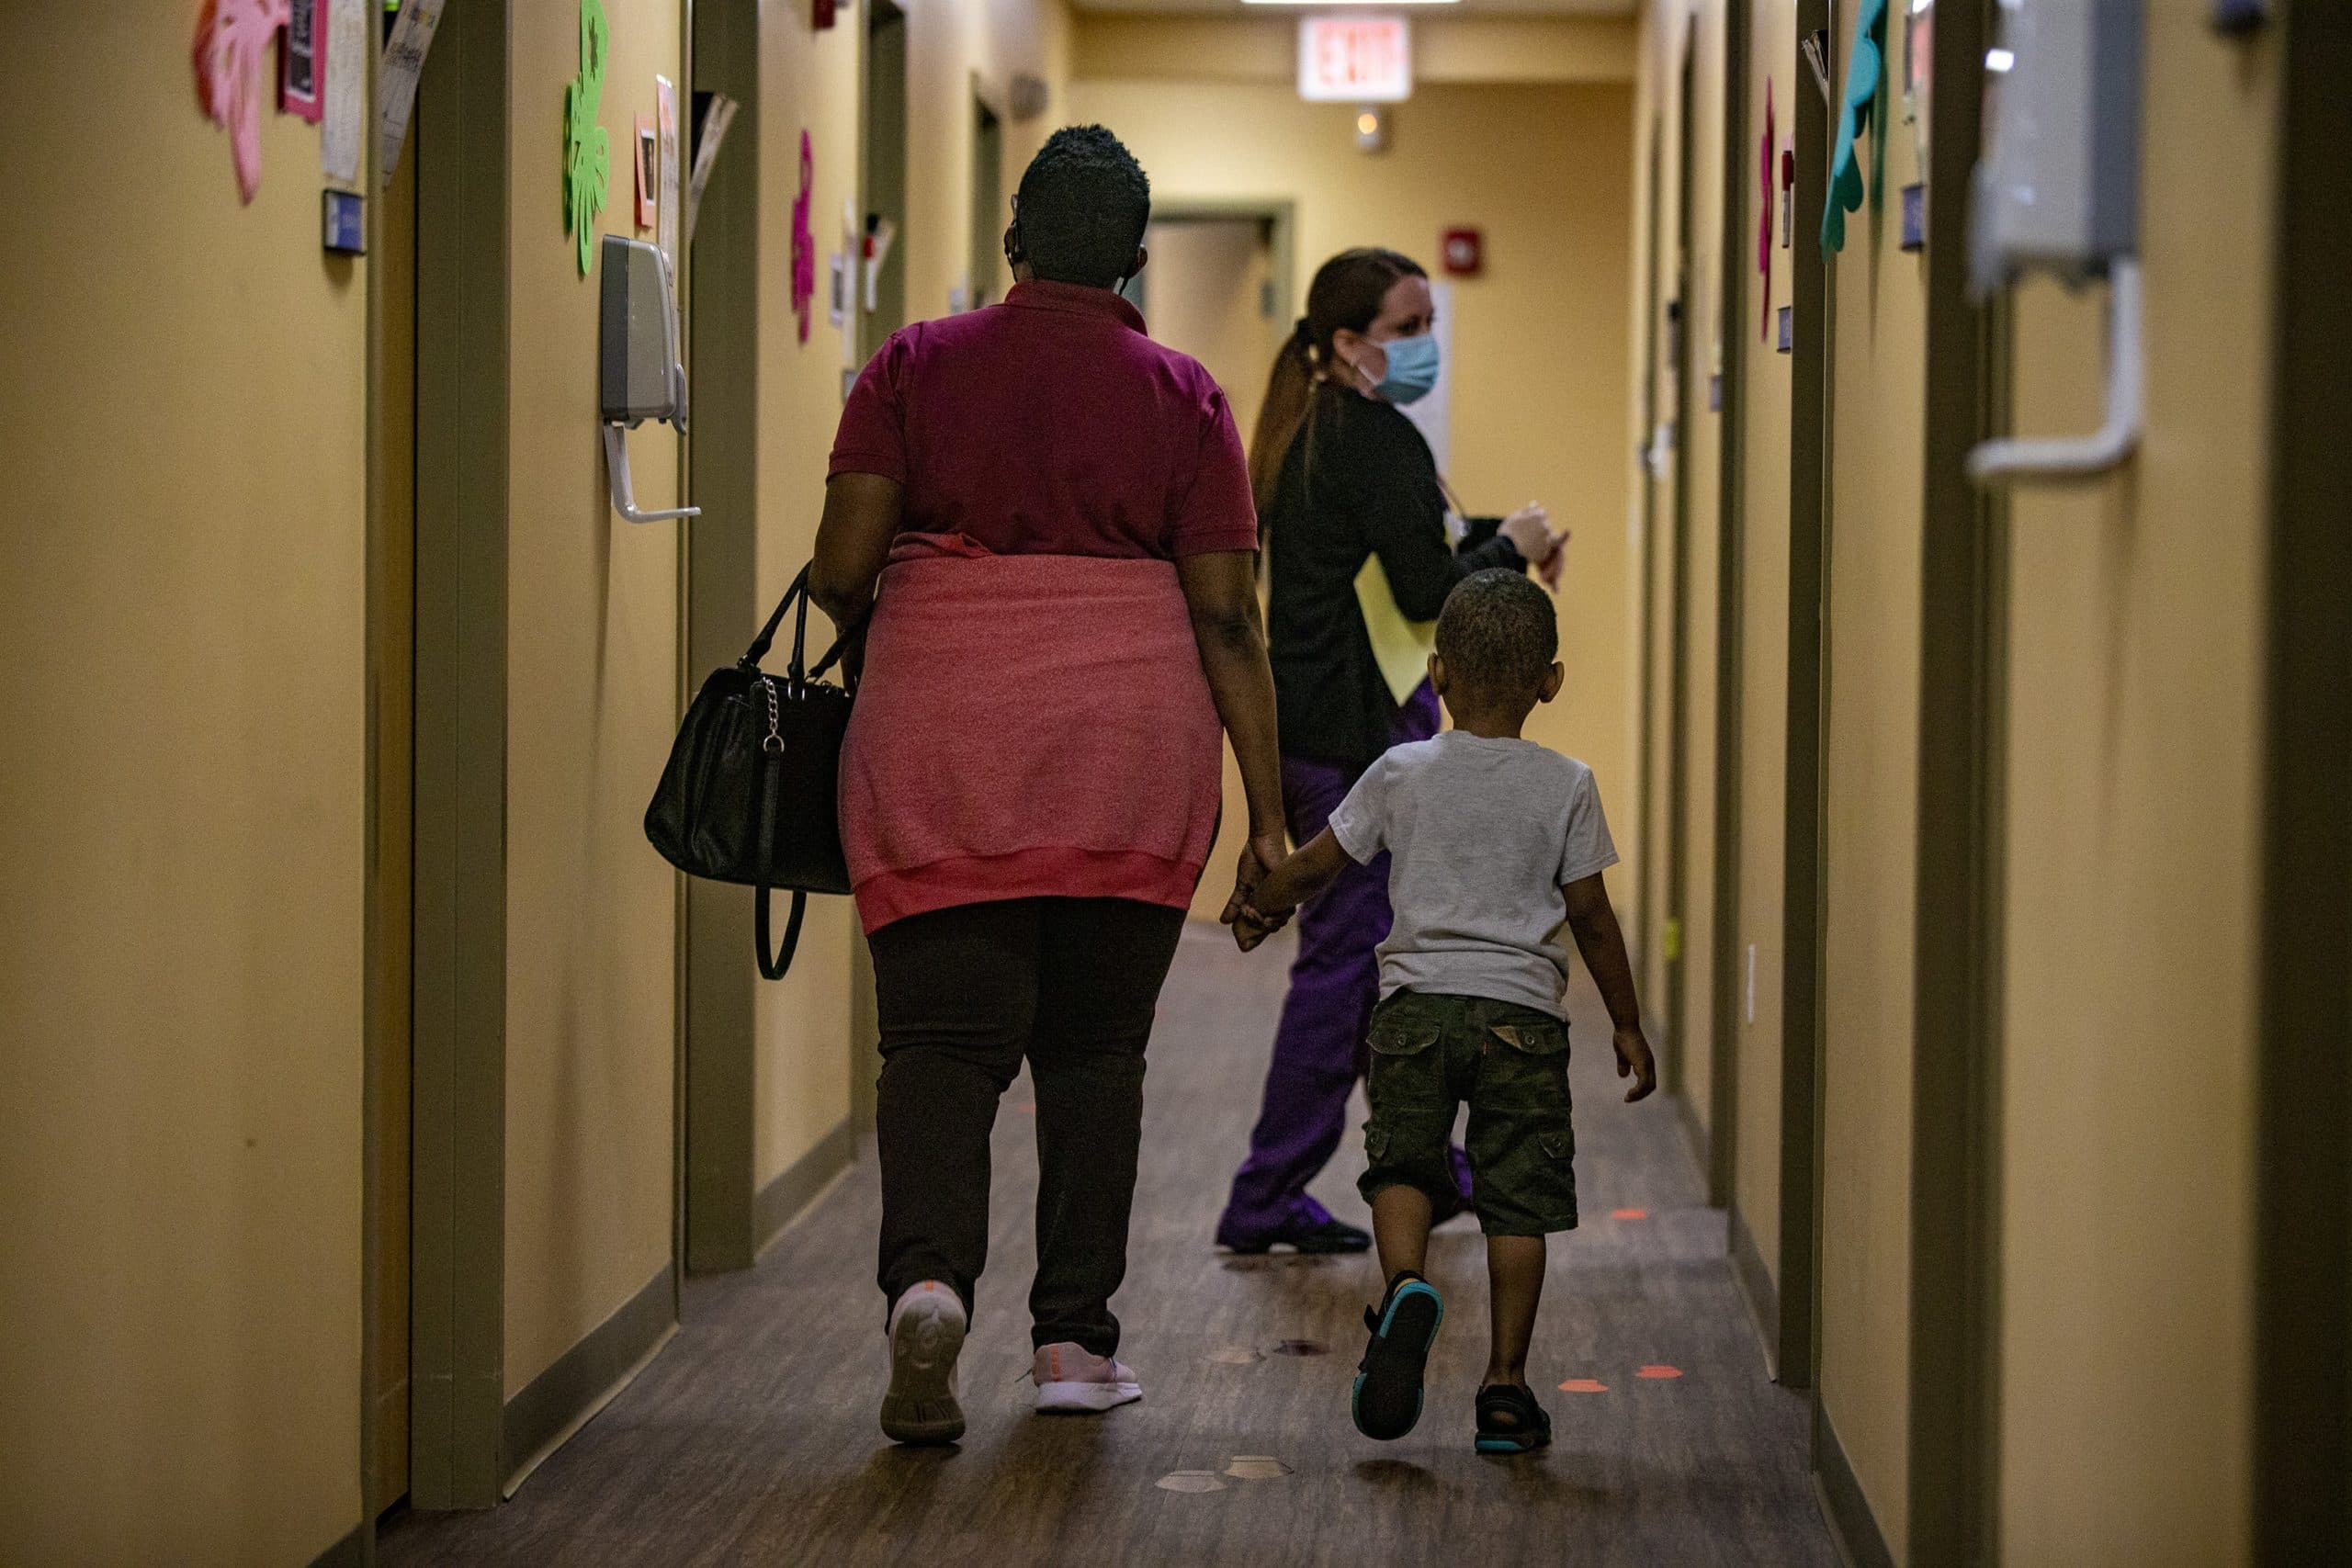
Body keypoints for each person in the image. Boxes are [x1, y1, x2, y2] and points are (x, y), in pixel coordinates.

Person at [810, 126, 1287, 1447]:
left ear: (1014, 237)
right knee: (1093, 1055)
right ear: (1136, 258)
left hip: (942, 736)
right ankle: (1074, 1340)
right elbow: (1229, 619)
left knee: (939, 1048)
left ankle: (926, 1284)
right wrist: (1270, 818)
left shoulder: (914, 363)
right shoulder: (1185, 396)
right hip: (1126, 755)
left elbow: (844, 566)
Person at [1231, 569, 1657, 1453]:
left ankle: (1406, 1286)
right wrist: (1625, 1020)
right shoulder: (1567, 783)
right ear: (1551, 680)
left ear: (1437, 675)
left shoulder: (1401, 770)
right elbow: (1593, 918)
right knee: (1515, 1201)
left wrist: (1264, 902)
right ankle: (1504, 1386)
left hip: (1416, 1009)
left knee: (1402, 1165)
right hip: (1523, 1019)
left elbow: (1320, 864)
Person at [1216, 248, 1567, 1255]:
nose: (1425, 346)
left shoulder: (1315, 432)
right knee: (1343, 974)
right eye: (1407, 328)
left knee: (1375, 967)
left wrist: (1506, 535)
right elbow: (1432, 590)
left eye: (1427, 323)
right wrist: (1521, 548)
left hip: (1323, 732)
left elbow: (1422, 541)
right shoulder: (1372, 438)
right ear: (1346, 343)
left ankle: (1430, 1172)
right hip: (1352, 745)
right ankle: (1265, 1192)